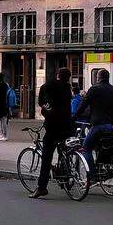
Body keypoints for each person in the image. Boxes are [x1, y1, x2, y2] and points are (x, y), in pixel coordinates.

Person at [32, 67, 74, 198]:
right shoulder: (68, 89)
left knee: (47, 157)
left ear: (57, 76)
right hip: (67, 127)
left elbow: (42, 103)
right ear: (68, 77)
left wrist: (46, 112)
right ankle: (65, 177)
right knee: (64, 152)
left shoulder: (49, 86)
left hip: (53, 127)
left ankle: (42, 187)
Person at [74, 69, 113, 176]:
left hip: (98, 125)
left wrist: (74, 117)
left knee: (86, 148)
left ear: (98, 78)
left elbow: (83, 105)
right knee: (109, 146)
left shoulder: (94, 89)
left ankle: (92, 174)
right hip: (112, 126)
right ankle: (104, 167)